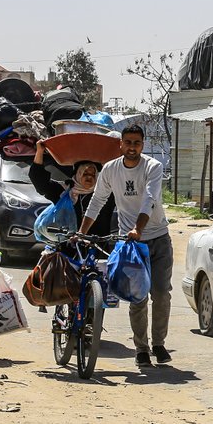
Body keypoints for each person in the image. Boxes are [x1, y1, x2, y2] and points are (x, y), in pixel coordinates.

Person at [78, 124, 172, 367]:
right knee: (138, 297)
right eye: (128, 142)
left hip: (158, 238)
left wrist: (138, 229)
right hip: (130, 244)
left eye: (137, 143)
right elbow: (97, 201)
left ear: (143, 145)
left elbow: (150, 199)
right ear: (120, 144)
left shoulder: (153, 167)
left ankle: (158, 344)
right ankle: (141, 348)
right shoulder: (110, 169)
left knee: (161, 294)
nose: (132, 147)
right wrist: (81, 232)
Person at [30, 140, 113, 230]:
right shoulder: (64, 191)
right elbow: (40, 182)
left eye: (93, 174)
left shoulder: (104, 193)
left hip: (99, 239)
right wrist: (40, 152)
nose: (89, 177)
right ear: (77, 175)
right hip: (68, 238)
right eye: (85, 173)